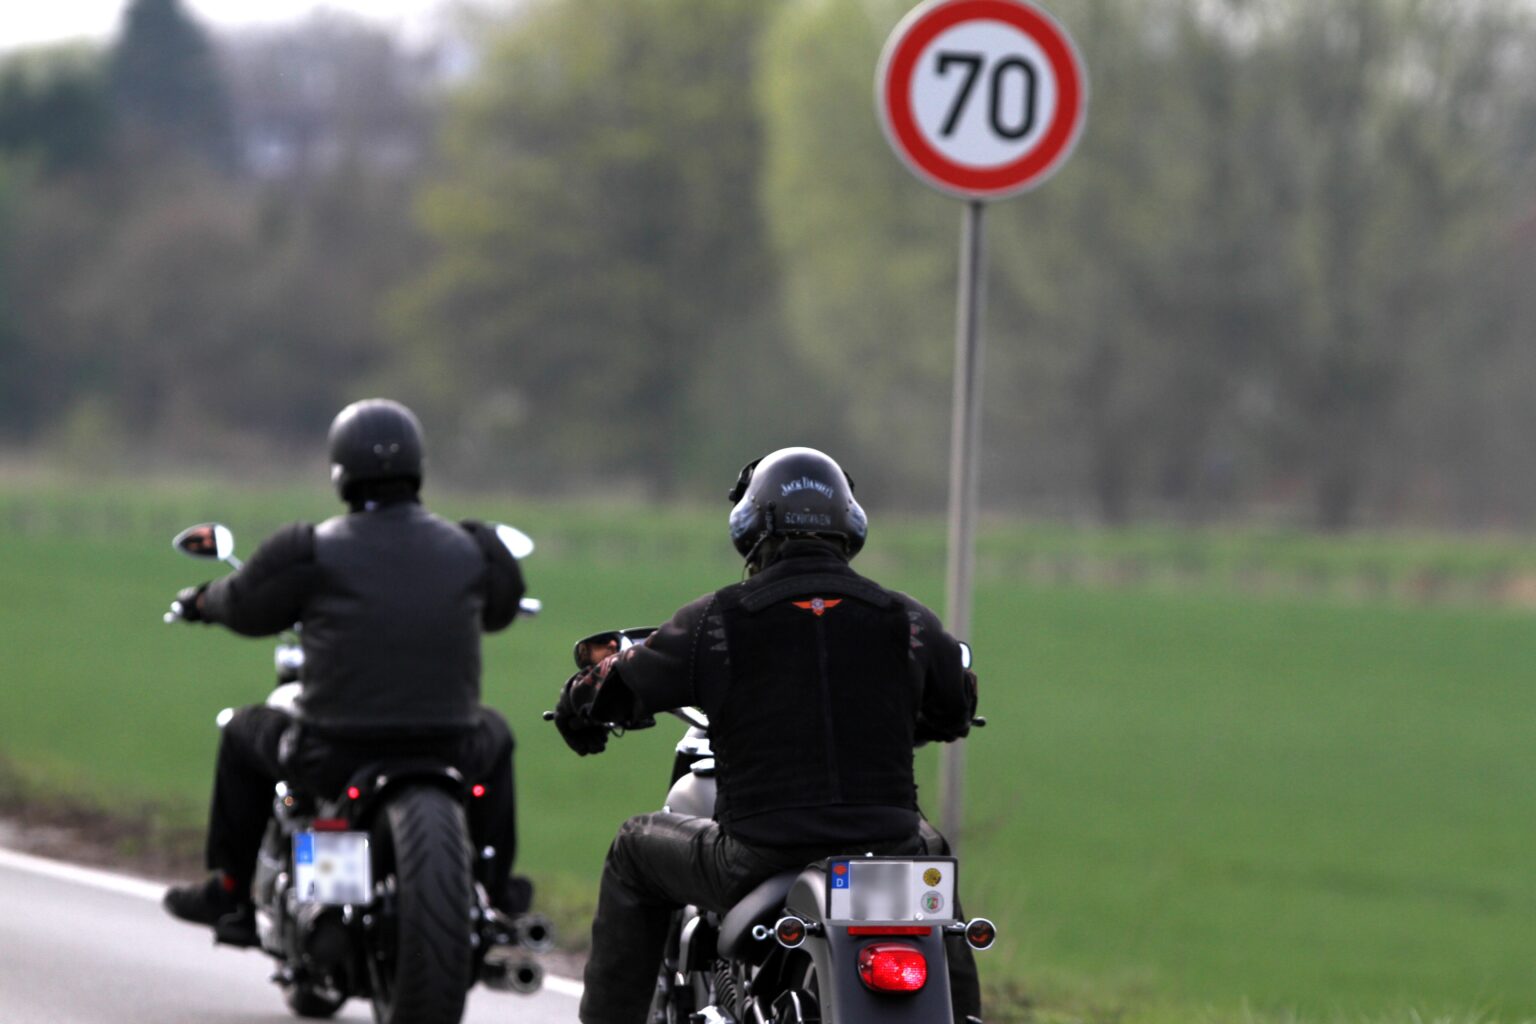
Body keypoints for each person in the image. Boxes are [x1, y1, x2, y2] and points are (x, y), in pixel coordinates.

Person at [554, 446, 983, 1024]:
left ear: (752, 528)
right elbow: (955, 709)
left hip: (758, 855)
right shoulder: (907, 620)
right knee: (932, 875)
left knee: (633, 848)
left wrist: (580, 705)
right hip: (889, 844)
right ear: (848, 526)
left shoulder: (717, 620)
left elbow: (616, 684)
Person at [162, 398, 530, 941]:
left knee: (242, 731)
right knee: (496, 734)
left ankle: (232, 893)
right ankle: (498, 893)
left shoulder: (309, 550)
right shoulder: (472, 547)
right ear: (418, 468)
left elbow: (245, 606)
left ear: (341, 471)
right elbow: (502, 609)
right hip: (451, 744)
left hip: (335, 752)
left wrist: (202, 602)